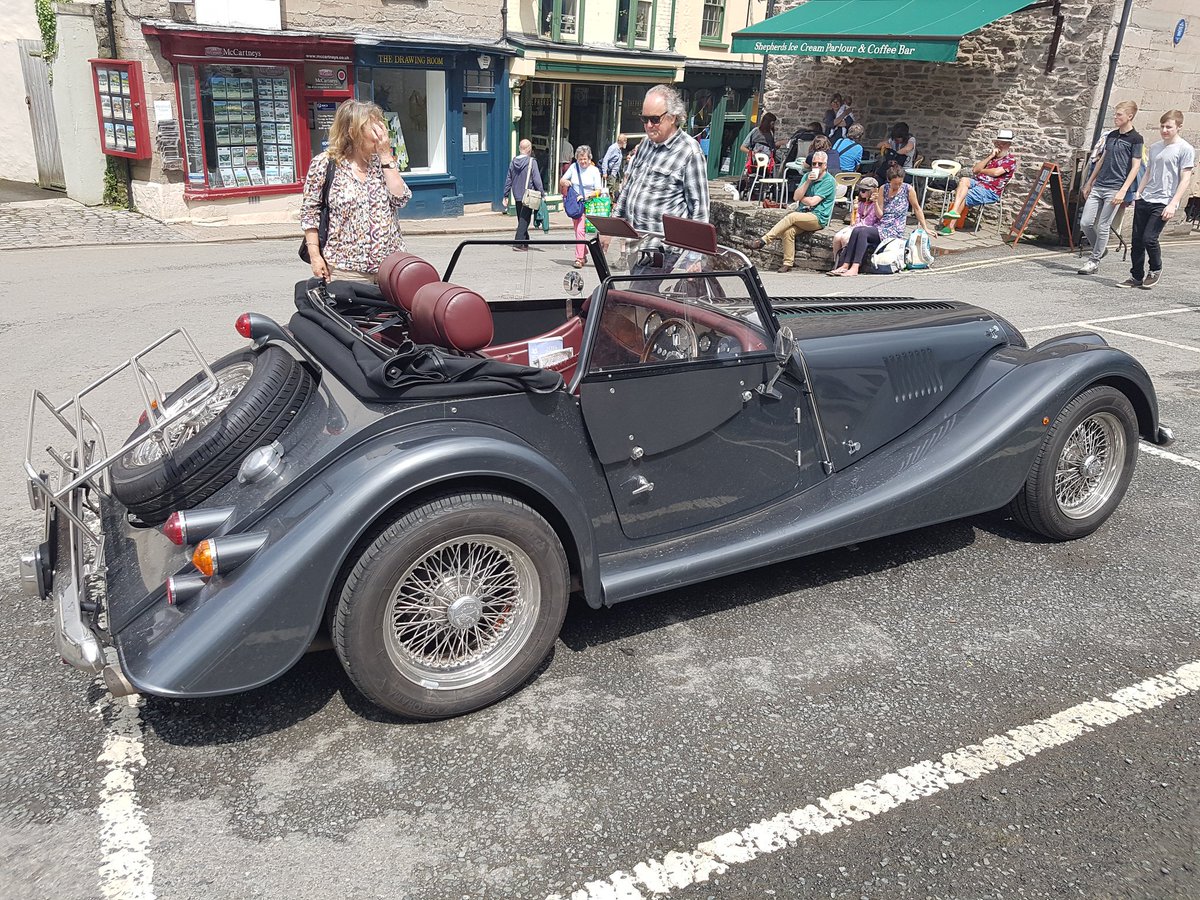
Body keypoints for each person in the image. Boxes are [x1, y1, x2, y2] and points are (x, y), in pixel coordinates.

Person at [301, 99, 412, 284]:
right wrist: (315, 256)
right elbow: (310, 213)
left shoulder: (382, 162)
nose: (382, 134)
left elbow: (401, 199)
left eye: (381, 126)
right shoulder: (325, 164)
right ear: (353, 132)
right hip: (347, 270)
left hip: (390, 268)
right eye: (374, 128)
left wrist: (386, 156)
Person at [611, 83, 709, 234]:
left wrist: (694, 248)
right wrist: (613, 226)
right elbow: (628, 188)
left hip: (665, 247)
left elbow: (699, 211)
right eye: (645, 119)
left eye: (655, 119)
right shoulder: (645, 144)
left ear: (672, 117)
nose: (649, 125)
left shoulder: (690, 152)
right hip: (635, 243)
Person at [1121, 109, 1194, 289]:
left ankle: (1155, 268)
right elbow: (1148, 172)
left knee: (1149, 238)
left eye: (1169, 127)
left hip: (1164, 201)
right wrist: (1138, 192)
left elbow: (1185, 179)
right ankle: (1136, 276)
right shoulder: (1154, 147)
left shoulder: (1185, 149)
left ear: (1179, 127)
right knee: (1137, 241)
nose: (1164, 130)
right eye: (1162, 126)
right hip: (1146, 197)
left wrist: (1173, 203)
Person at [743, 149, 837, 273]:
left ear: (825, 165)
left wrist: (801, 198)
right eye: (814, 163)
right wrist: (808, 182)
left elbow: (813, 202)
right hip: (803, 213)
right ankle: (787, 263)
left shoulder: (829, 181)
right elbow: (796, 197)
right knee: (788, 232)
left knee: (791, 216)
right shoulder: (807, 177)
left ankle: (763, 240)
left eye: (820, 164)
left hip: (818, 217)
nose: (816, 166)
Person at [830, 163, 932, 276]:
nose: (898, 186)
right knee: (857, 230)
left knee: (863, 232)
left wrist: (925, 227)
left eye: (900, 183)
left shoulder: (908, 189)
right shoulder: (884, 188)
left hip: (894, 230)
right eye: (895, 184)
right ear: (889, 181)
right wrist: (875, 202)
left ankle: (855, 267)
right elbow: (879, 215)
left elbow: (917, 209)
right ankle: (844, 265)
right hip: (881, 226)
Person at [1078, 101, 1143, 275]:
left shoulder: (1136, 139)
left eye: (1119, 114)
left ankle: (1094, 260)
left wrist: (1123, 190)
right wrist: (1089, 182)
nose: (1115, 117)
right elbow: (1102, 159)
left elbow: (1136, 167)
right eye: (1115, 114)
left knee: (1104, 225)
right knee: (1085, 223)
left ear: (1130, 116)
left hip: (1115, 188)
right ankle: (1100, 248)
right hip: (1099, 185)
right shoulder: (1112, 135)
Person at [938, 128, 1018, 234]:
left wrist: (982, 170)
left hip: (990, 190)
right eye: (998, 143)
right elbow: (975, 170)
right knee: (964, 180)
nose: (999, 145)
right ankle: (954, 211)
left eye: (1003, 143)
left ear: (1009, 145)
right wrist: (990, 156)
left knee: (965, 195)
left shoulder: (1010, 160)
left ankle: (950, 226)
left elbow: (996, 173)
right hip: (978, 183)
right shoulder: (992, 158)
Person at [559, 145, 606, 268]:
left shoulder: (594, 171)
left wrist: (586, 196)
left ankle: (579, 258)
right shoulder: (573, 167)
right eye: (580, 159)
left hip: (589, 204)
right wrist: (565, 182)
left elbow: (599, 190)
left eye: (585, 159)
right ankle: (583, 253)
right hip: (576, 204)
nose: (583, 161)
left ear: (589, 158)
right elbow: (562, 180)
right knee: (577, 230)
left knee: (580, 230)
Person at [502, 139, 544, 251]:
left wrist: (505, 195)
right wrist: (542, 193)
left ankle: (525, 242)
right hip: (528, 195)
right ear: (529, 149)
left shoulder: (513, 162)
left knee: (522, 219)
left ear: (519, 148)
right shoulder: (532, 162)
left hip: (517, 195)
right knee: (524, 220)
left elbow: (509, 179)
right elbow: (537, 180)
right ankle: (518, 243)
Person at [830, 176, 880, 262]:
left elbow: (869, 221)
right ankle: (836, 261)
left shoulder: (875, 204)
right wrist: (854, 212)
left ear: (872, 191)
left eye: (864, 190)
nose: (861, 192)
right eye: (860, 190)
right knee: (837, 237)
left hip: (866, 228)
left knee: (845, 238)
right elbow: (856, 218)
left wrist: (854, 226)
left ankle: (845, 261)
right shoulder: (860, 202)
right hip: (856, 225)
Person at [600, 133, 627, 198]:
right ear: (622, 141)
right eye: (625, 141)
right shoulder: (613, 148)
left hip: (615, 174)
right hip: (610, 174)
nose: (626, 143)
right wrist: (604, 172)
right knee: (609, 191)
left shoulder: (619, 150)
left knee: (615, 192)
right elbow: (605, 159)